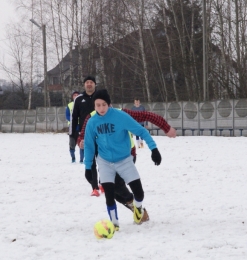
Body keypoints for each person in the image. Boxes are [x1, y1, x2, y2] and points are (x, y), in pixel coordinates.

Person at [77, 101, 177, 212]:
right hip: (106, 159)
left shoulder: (121, 114)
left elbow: (145, 115)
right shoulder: (91, 117)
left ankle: (135, 205)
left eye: (105, 105)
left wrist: (166, 127)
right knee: (110, 189)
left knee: (118, 185)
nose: (103, 109)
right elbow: (83, 135)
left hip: (127, 156)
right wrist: (80, 141)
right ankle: (133, 205)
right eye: (99, 105)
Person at [84, 89, 162, 229]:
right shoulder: (92, 122)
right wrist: (88, 167)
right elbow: (89, 146)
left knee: (139, 193)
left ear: (109, 104)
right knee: (109, 193)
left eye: (104, 104)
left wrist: (154, 149)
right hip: (105, 161)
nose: (101, 108)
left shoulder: (120, 116)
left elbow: (141, 131)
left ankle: (138, 209)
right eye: (97, 105)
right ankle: (114, 224)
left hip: (124, 160)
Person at [69, 75, 101, 196]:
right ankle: (94, 187)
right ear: (84, 85)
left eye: (91, 82)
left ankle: (102, 182)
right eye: (87, 82)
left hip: (101, 134)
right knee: (90, 162)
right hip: (86, 136)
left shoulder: (101, 97)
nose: (89, 84)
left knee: (103, 161)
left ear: (95, 84)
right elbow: (74, 118)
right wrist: (74, 136)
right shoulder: (79, 99)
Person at [65, 91, 84, 163]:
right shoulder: (70, 105)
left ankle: (82, 159)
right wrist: (73, 119)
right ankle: (73, 158)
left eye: (77, 95)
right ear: (72, 97)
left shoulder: (82, 104)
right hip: (72, 127)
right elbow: (67, 115)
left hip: (81, 126)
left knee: (82, 142)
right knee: (72, 143)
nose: (75, 96)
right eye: (74, 95)